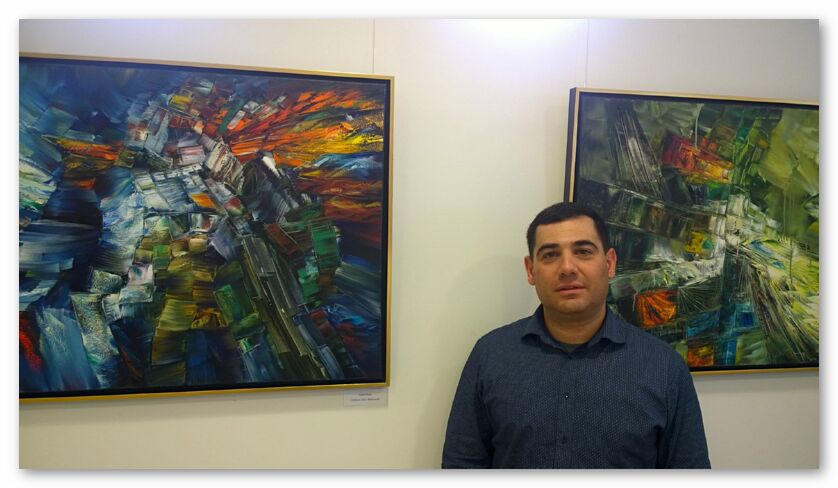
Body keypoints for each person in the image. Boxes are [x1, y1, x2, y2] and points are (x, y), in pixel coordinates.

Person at [441, 202, 710, 468]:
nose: (567, 268)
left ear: (610, 263)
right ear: (531, 270)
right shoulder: (491, 356)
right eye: (550, 255)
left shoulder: (664, 367)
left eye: (583, 251)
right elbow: (462, 466)